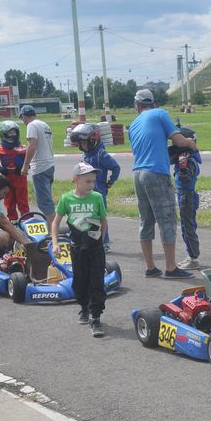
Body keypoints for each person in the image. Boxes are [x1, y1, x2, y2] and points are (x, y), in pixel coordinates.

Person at [127, 88, 198, 279]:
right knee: (167, 219)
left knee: (146, 220)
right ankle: (171, 267)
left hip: (137, 173)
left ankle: (150, 267)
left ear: (137, 106)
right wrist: (190, 142)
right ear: (153, 103)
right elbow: (178, 141)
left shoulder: (133, 125)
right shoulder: (160, 114)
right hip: (156, 173)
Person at [51, 163, 109, 338]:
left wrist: (101, 240)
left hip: (95, 248)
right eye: (87, 181)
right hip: (77, 247)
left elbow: (103, 221)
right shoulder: (66, 199)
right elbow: (55, 223)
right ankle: (84, 308)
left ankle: (96, 317)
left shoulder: (97, 197)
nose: (91, 185)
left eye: (93, 181)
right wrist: (55, 243)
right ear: (76, 180)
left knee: (97, 281)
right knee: (80, 280)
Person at [69, 123, 120, 251]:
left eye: (85, 143)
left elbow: (116, 167)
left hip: (98, 192)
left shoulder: (101, 154)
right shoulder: (84, 155)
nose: (83, 145)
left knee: (99, 218)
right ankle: (89, 242)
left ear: (93, 141)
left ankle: (104, 242)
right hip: (85, 193)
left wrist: (110, 181)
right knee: (86, 217)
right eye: (81, 143)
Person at [170, 126, 202, 270]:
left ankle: (193, 258)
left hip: (187, 196)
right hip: (185, 196)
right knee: (186, 226)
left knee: (188, 227)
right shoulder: (186, 158)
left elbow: (185, 178)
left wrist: (182, 167)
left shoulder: (189, 160)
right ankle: (191, 255)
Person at [19, 104, 55, 218]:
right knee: (47, 198)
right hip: (50, 164)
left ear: (24, 116)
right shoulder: (44, 125)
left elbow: (32, 146)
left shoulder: (31, 125)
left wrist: (25, 166)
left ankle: (53, 226)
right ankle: (52, 223)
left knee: (43, 201)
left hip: (40, 166)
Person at [0, 120, 30, 221]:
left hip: (20, 177)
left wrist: (23, 167)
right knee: (9, 201)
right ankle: (13, 220)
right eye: (10, 133)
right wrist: (0, 169)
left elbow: (29, 161)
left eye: (14, 132)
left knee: (23, 200)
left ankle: (27, 220)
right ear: (3, 134)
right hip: (7, 179)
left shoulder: (22, 149)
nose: (13, 135)